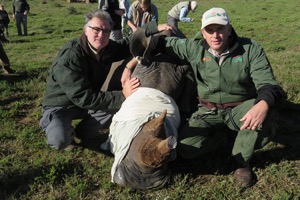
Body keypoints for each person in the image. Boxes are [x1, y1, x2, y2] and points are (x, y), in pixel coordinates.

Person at [132, 7, 286, 187]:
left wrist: (263, 104)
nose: (215, 35)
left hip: (241, 108)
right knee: (184, 148)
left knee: (265, 114)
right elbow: (142, 43)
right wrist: (153, 28)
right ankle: (226, 138)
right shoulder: (193, 48)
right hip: (206, 111)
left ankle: (241, 162)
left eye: (220, 29)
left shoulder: (251, 49)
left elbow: (268, 84)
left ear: (229, 29)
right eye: (210, 30)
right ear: (203, 32)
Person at [39, 9, 172, 150]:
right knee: (59, 140)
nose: (101, 35)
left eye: (106, 31)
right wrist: (122, 95)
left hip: (87, 102)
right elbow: (83, 97)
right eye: (96, 29)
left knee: (114, 105)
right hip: (61, 105)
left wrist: (153, 28)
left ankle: (83, 131)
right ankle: (53, 124)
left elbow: (127, 43)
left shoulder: (106, 48)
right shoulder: (71, 57)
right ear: (86, 30)